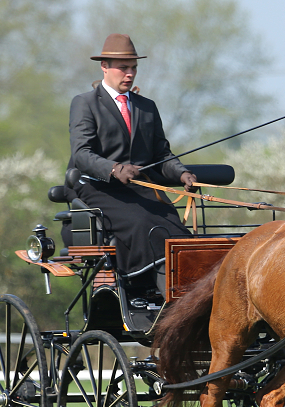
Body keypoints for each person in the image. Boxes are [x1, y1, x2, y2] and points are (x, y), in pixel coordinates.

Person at [68, 33, 197, 295]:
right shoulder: (85, 104)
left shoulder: (147, 107)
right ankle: (160, 295)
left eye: (133, 68)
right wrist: (114, 169)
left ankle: (183, 297)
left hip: (142, 189)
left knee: (177, 233)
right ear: (104, 66)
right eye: (123, 68)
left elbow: (161, 155)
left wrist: (182, 173)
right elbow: (81, 154)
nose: (130, 74)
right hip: (99, 188)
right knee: (145, 227)